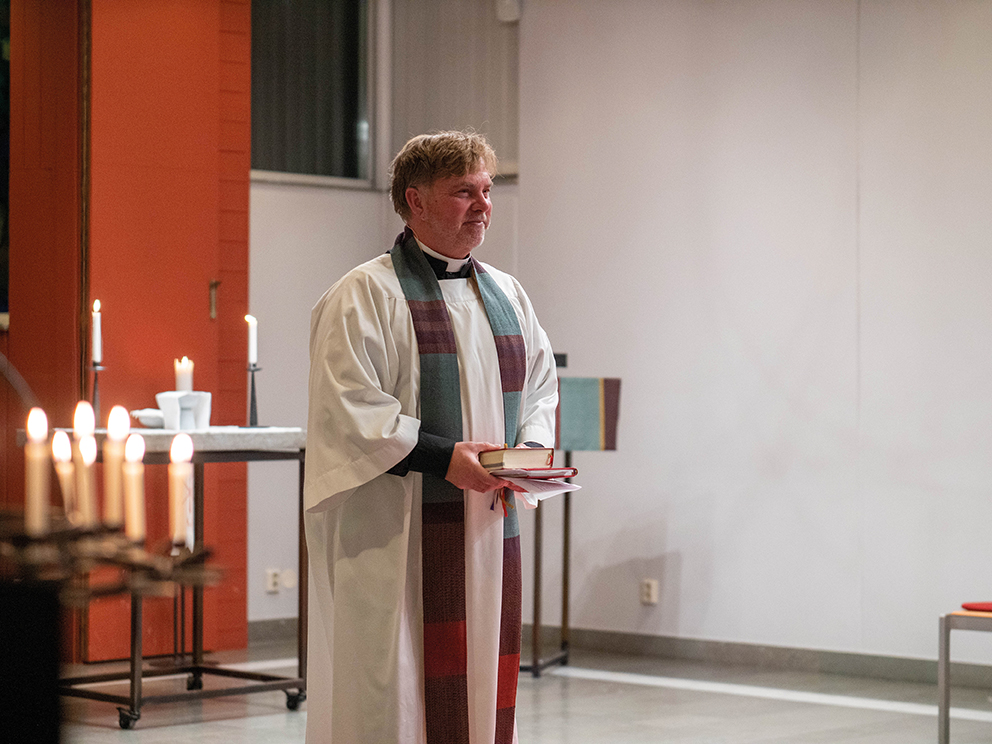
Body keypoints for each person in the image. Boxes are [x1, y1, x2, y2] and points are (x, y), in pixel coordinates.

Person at [304, 131, 559, 744]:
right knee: (394, 695)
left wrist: (526, 452)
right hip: (396, 536)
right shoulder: (366, 294)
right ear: (415, 200)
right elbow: (350, 407)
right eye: (463, 192)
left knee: (478, 684)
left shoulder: (506, 294)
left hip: (484, 530)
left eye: (487, 191)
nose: (483, 205)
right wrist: (445, 458)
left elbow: (541, 387)